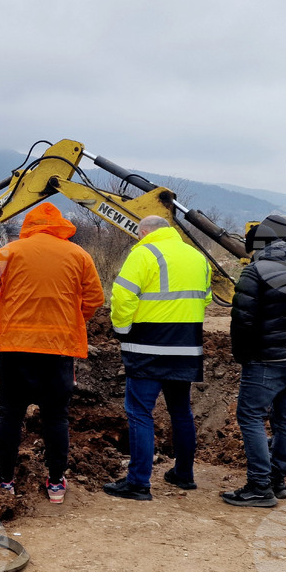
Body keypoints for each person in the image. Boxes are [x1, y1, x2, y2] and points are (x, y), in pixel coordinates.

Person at [0, 202, 104, 504]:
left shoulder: (9, 252)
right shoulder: (79, 255)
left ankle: (6, 480)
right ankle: (56, 484)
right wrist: (71, 319)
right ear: (60, 226)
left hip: (15, 348)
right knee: (56, 417)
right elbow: (94, 298)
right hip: (59, 351)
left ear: (29, 225)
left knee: (10, 415)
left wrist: (6, 312)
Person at [103, 215, 212, 501]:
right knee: (181, 412)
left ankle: (138, 483)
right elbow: (206, 298)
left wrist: (122, 330)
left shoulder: (144, 253)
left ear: (143, 232)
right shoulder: (197, 257)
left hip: (148, 347)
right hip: (186, 347)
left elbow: (122, 295)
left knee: (140, 412)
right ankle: (184, 474)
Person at [224, 214, 286, 508]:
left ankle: (259, 485)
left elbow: (242, 320)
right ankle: (277, 480)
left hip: (268, 359)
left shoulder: (255, 271)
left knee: (251, 417)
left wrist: (243, 355)